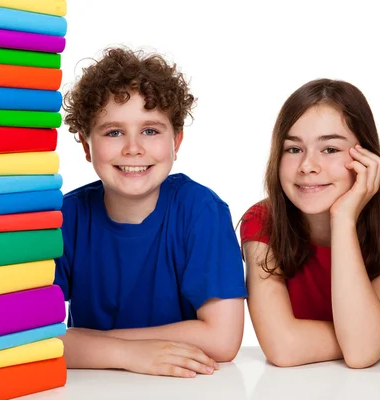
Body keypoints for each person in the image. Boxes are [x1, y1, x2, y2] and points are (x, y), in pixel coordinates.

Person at [55, 47, 247, 378]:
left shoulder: (203, 213)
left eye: (150, 130)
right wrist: (127, 353)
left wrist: (87, 344)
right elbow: (25, 339)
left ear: (177, 141)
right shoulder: (64, 219)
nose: (133, 148)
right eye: (114, 132)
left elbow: (223, 339)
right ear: (86, 146)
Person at [240, 79, 380, 369]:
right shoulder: (262, 222)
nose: (307, 166)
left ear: (367, 157)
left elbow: (360, 353)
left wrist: (344, 219)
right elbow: (283, 348)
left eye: (330, 149)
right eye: (293, 149)